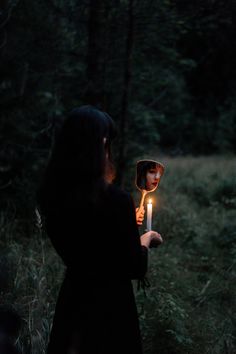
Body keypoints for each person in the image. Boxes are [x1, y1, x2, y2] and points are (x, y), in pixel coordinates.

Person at [37, 105, 163, 354]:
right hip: (110, 309)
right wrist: (145, 239)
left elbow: (87, 243)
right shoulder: (116, 200)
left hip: (73, 303)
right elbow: (133, 266)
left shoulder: (52, 195)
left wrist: (125, 224)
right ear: (102, 144)